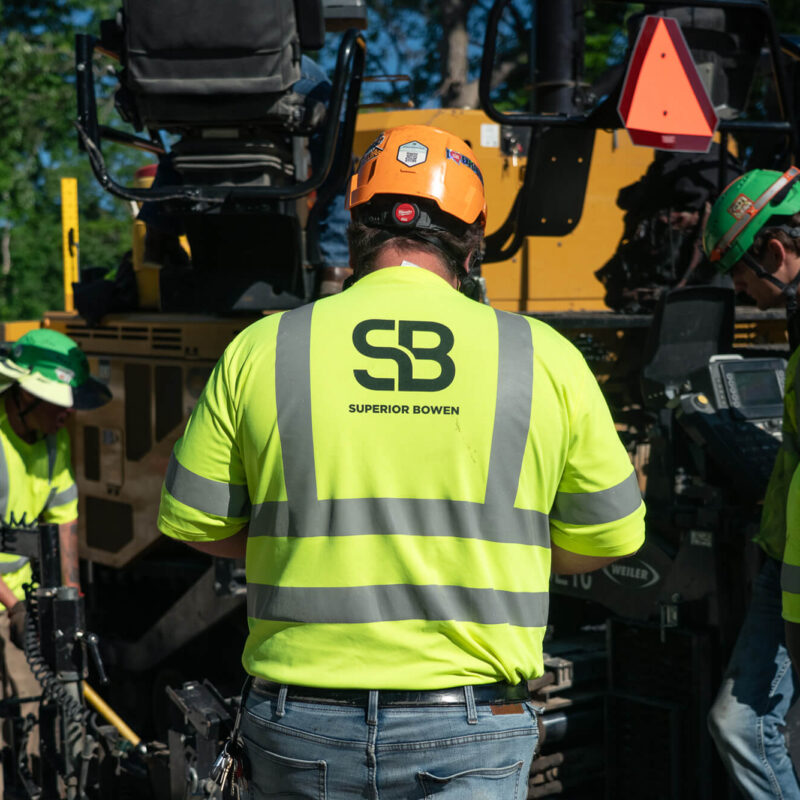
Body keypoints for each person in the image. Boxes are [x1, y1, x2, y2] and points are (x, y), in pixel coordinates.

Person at [157, 124, 645, 799]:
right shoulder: (544, 355)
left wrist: (304, 547)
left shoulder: (264, 348)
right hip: (471, 723)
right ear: (472, 242)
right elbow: (614, 536)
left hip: (303, 726)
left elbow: (192, 520)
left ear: (356, 230)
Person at [702, 165, 800, 798]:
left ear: (774, 251)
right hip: (781, 558)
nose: (741, 290)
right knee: (737, 724)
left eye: (741, 273)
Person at [0, 328, 111, 778]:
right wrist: (14, 607)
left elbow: (64, 522)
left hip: (22, 601)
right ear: (26, 396)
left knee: (40, 716)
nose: (69, 412)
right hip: (10, 603)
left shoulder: (52, 439)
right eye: (59, 401)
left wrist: (70, 605)